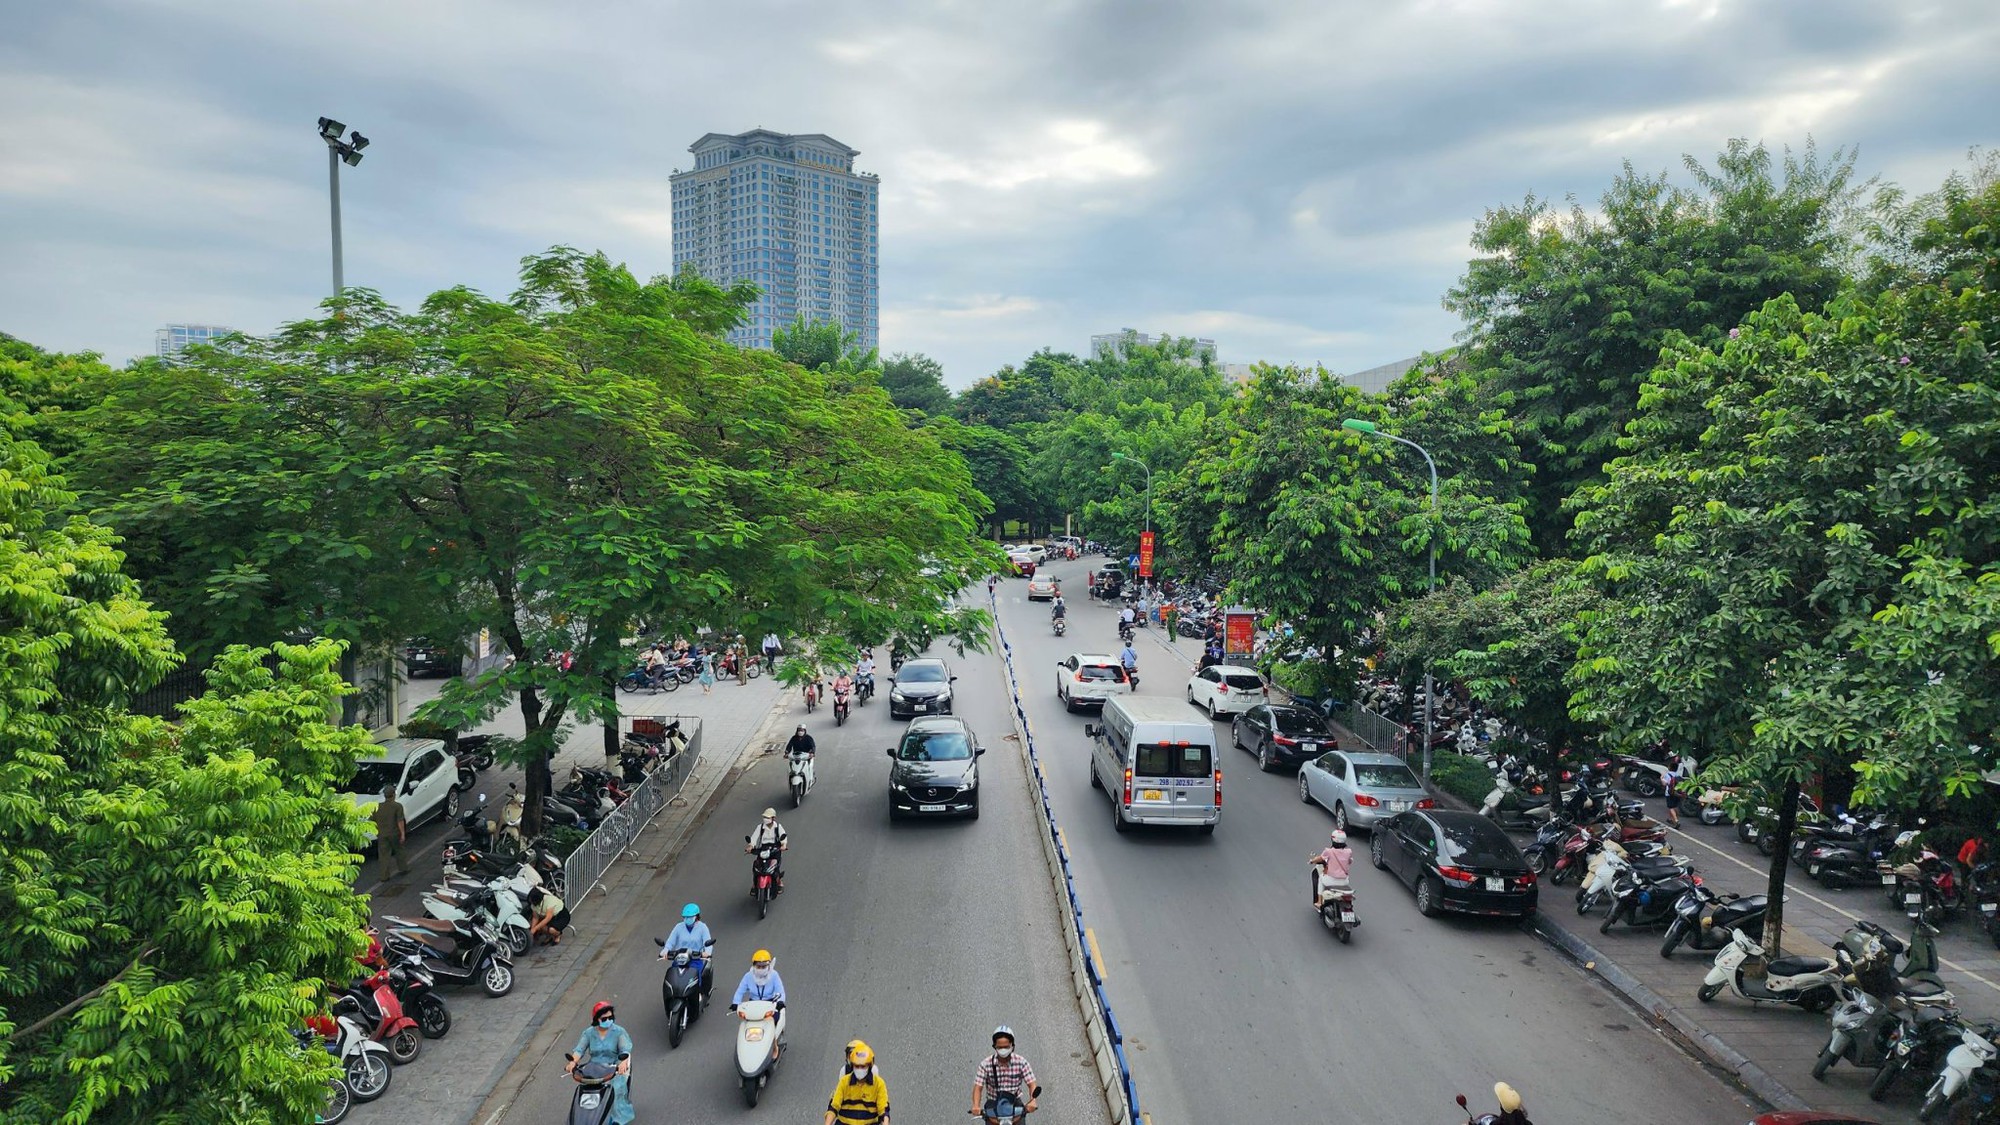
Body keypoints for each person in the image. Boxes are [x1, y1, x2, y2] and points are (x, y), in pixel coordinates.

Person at [563, 1001, 635, 1125]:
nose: (608, 1020)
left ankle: (617, 1120)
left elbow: (625, 1050)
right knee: (583, 1092)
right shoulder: (589, 1033)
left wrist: (622, 1063)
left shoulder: (619, 1032)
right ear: (597, 1019)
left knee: (616, 1089)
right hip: (594, 1070)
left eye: (610, 1017)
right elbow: (579, 1050)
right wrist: (573, 1062)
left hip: (613, 1069)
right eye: (604, 1018)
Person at [971, 1026, 1038, 1122]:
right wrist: (976, 1105)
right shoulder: (985, 1064)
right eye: (1000, 1047)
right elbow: (978, 1087)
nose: (1003, 1049)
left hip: (1014, 1104)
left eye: (1006, 1047)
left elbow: (1032, 1083)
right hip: (993, 1104)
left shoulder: (1021, 1062)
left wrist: (1033, 1101)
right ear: (995, 1046)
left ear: (1012, 1046)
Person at [825, 1040, 891, 1125]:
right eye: (857, 1066)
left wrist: (885, 1122)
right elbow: (834, 1107)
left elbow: (884, 1110)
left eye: (863, 1066)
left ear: (869, 1066)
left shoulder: (879, 1084)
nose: (860, 1069)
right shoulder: (844, 1081)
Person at [661, 902, 715, 1000]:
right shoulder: (679, 927)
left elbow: (708, 943)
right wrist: (665, 951)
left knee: (696, 974)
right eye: (685, 917)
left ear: (696, 917)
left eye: (689, 917)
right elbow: (670, 941)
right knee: (673, 975)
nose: (687, 919)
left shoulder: (702, 928)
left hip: (695, 958)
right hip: (680, 958)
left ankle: (698, 993)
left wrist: (707, 953)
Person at [748, 807, 790, 893]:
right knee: (757, 866)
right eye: (765, 817)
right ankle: (754, 884)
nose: (765, 819)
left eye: (768, 817)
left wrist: (783, 845)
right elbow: (754, 837)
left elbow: (783, 836)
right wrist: (750, 846)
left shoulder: (778, 827)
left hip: (775, 849)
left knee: (775, 867)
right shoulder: (760, 827)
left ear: (773, 818)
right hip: (763, 849)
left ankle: (779, 882)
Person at [372, 787, 410, 882]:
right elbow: (400, 821)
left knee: (383, 855)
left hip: (382, 834)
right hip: (394, 834)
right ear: (393, 795)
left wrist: (377, 831)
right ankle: (403, 868)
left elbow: (372, 822)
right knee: (399, 851)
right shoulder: (397, 806)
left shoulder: (377, 807)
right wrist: (402, 834)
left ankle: (384, 876)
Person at [1310, 829, 1355, 910]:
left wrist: (1312, 861)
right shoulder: (1349, 852)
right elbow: (1350, 861)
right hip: (1344, 881)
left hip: (1331, 880)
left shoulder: (1329, 851)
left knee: (1320, 879)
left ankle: (1319, 902)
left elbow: (1320, 858)